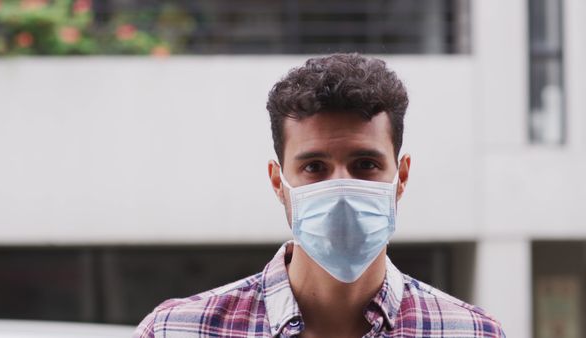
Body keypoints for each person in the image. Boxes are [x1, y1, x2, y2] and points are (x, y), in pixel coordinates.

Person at [133, 53, 505, 338]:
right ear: (279, 183)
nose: (340, 188)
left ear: (401, 176)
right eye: (314, 167)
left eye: (365, 164)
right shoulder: (177, 330)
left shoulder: (471, 332)